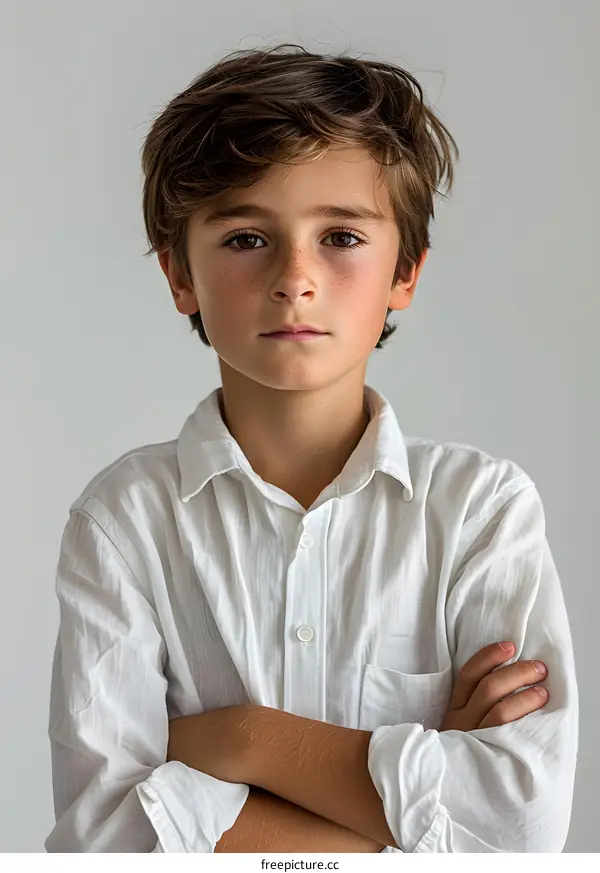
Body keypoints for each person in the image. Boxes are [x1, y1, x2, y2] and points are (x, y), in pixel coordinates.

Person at [45, 43, 578, 853]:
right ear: (178, 274)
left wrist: (242, 739)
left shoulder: (480, 511)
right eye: (247, 238)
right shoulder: (125, 521)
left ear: (405, 271)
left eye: (340, 236)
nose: (295, 277)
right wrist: (404, 825)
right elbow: (103, 839)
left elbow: (522, 826)